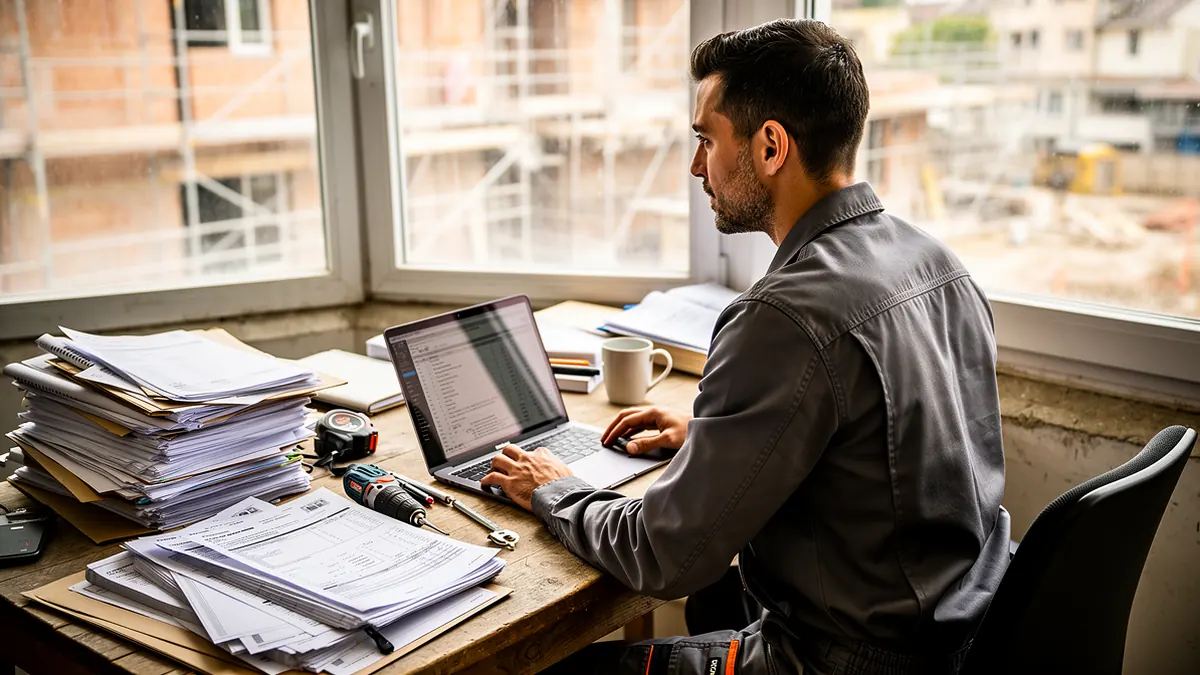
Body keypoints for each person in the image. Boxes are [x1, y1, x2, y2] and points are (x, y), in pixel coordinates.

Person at [481, 18, 1011, 675]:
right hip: (957, 638)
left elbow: (665, 555)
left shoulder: (781, 316)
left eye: (706, 139)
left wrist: (552, 489)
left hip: (840, 661)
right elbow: (895, 448)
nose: (697, 165)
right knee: (715, 602)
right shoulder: (938, 262)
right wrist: (722, 437)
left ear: (769, 146)